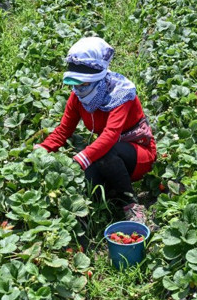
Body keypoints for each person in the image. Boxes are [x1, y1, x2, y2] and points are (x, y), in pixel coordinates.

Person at [34, 37, 156, 224]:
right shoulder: (77, 98)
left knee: (105, 154)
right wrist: (41, 150)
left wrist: (80, 159)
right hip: (104, 153)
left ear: (98, 79)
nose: (79, 89)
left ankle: (131, 204)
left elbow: (110, 136)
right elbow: (63, 131)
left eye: (83, 84)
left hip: (137, 153)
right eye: (75, 84)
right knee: (90, 184)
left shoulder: (121, 94)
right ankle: (111, 195)